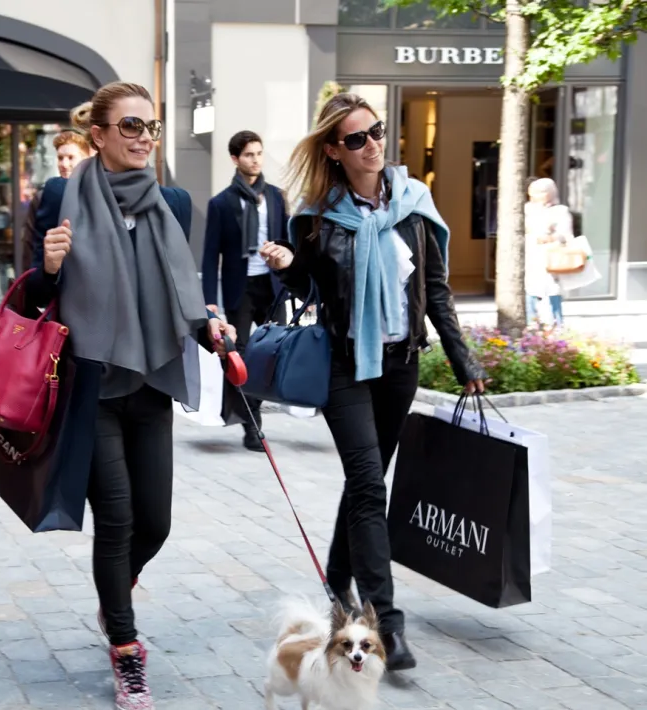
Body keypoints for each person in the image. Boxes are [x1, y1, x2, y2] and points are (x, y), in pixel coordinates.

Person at [24, 82, 236, 710]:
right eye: (130, 126)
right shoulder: (63, 194)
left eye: (151, 126)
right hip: (90, 382)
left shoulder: (171, 199)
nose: (143, 136)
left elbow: (183, 290)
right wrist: (50, 268)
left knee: (157, 522)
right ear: (99, 134)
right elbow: (34, 297)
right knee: (116, 517)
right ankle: (125, 647)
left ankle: (113, 590)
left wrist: (210, 325)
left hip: (150, 380)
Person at [259, 92, 486, 672]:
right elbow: (309, 289)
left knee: (366, 485)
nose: (373, 145)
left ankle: (337, 586)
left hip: (400, 363)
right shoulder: (315, 216)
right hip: (344, 365)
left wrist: (465, 362)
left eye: (377, 132)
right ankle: (384, 620)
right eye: (357, 139)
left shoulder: (413, 204)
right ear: (335, 150)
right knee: (367, 486)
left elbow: (435, 289)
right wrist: (288, 267)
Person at [202, 130, 289, 450]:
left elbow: (288, 243)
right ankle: (252, 426)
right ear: (235, 159)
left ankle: (252, 417)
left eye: (259, 153)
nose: (255, 160)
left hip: (273, 285)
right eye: (249, 154)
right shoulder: (221, 203)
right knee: (241, 356)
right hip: (241, 289)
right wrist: (210, 302)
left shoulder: (278, 197)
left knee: (271, 357)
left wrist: (300, 286)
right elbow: (211, 256)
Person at [20, 112, 93, 273]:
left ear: (87, 158)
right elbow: (30, 247)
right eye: (60, 158)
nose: (64, 164)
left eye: (71, 157)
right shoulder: (44, 195)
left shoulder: (98, 193)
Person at [524, 177, 572, 325]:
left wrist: (550, 237)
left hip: (551, 257)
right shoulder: (527, 209)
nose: (535, 196)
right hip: (531, 256)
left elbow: (566, 235)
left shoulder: (560, 211)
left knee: (552, 290)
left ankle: (558, 324)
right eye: (533, 193)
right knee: (530, 290)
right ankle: (531, 324)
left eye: (541, 192)